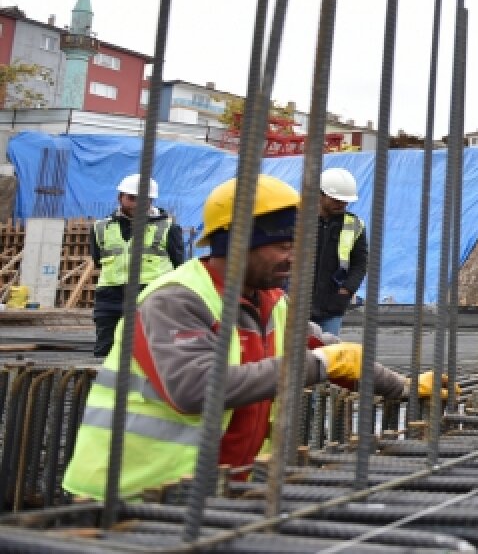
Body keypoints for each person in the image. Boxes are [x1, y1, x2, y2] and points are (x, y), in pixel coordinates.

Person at [62, 174, 446, 500]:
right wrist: (319, 365)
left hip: (216, 490)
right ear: (237, 242)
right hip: (131, 493)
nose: (294, 258)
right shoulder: (177, 299)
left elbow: (336, 353)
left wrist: (405, 387)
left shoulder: (272, 302)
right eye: (283, 246)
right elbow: (193, 390)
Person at [90, 174, 184, 357]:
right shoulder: (100, 228)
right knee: (106, 351)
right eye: (131, 198)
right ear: (120, 197)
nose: (136, 204)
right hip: (110, 297)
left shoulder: (168, 227)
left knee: (151, 351)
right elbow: (98, 260)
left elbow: (179, 264)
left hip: (152, 294)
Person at [311, 167, 368, 336]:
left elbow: (360, 264)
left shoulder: (354, 225)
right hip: (297, 304)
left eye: (345, 200)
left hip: (332, 305)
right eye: (336, 199)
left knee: (326, 357)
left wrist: (346, 291)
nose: (342, 204)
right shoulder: (300, 219)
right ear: (320, 195)